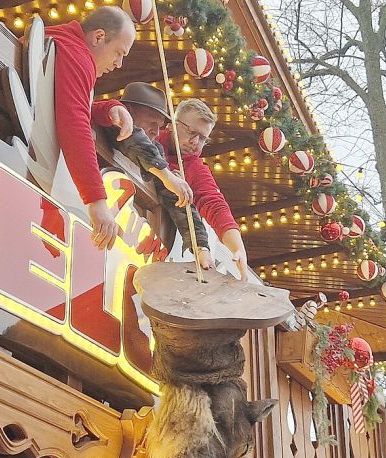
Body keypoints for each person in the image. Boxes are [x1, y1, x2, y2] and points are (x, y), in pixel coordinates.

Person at [45, 7, 136, 250]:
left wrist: (106, 109)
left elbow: (61, 99)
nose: (119, 64)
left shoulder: (65, 43)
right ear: (98, 37)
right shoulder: (78, 56)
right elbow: (74, 121)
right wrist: (96, 200)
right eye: (119, 52)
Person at [94, 83, 213, 269]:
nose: (157, 132)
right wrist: (168, 176)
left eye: (160, 126)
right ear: (128, 111)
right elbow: (133, 136)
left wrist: (201, 246)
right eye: (152, 123)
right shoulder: (109, 117)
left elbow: (176, 198)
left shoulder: (155, 151)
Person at [157, 99, 249, 280]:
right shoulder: (149, 135)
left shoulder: (196, 168)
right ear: (173, 124)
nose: (195, 142)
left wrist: (238, 248)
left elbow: (215, 205)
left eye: (203, 138)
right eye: (191, 132)